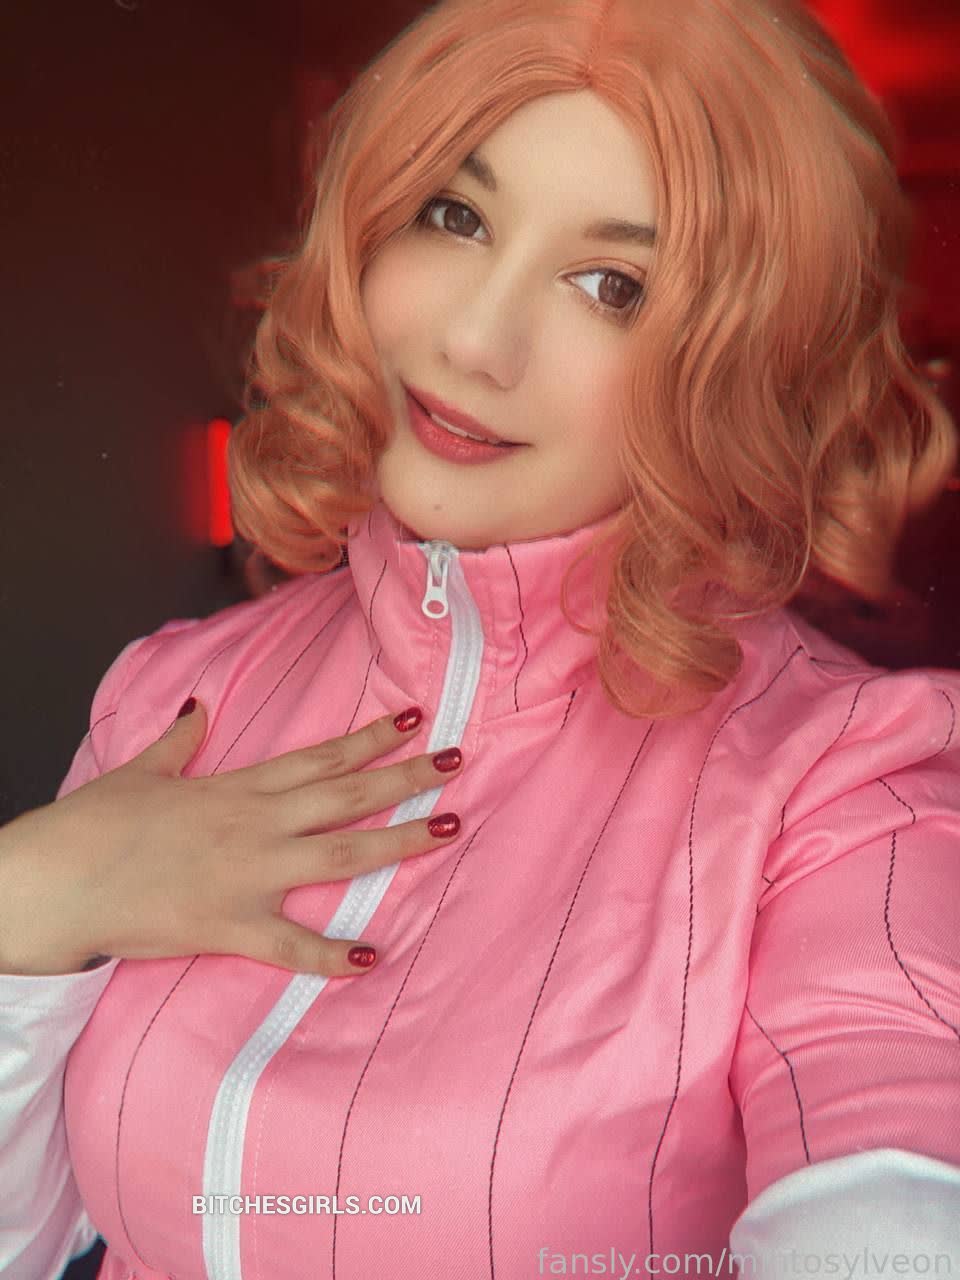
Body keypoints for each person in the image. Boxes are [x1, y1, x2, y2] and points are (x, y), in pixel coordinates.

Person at [2, 0, 959, 1276]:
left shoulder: (843, 787)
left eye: (614, 286)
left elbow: (891, 1192)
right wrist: (31, 894)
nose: (473, 341)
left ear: (741, 368)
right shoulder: (173, 693)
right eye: (456, 215)